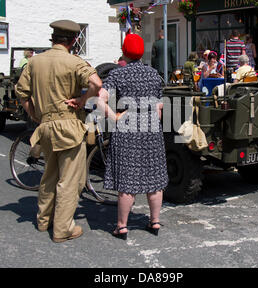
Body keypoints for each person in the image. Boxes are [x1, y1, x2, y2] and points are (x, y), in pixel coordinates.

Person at [15, 20, 102, 243]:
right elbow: (96, 83)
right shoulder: (74, 61)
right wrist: (82, 100)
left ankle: (44, 221)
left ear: (53, 38)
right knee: (69, 181)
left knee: (49, 175)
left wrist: (34, 114)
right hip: (68, 125)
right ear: (73, 41)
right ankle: (62, 229)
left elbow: (22, 93)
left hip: (45, 126)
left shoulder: (34, 62)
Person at [99, 34, 169, 240]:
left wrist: (114, 118)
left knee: (127, 180)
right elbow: (159, 108)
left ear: (124, 52)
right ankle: (154, 221)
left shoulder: (117, 75)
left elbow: (100, 100)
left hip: (127, 127)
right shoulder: (154, 74)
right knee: (154, 178)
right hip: (152, 129)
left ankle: (122, 226)